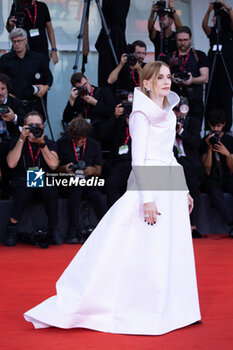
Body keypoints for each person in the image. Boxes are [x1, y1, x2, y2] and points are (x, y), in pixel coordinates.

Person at [24, 61, 201, 335]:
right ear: (147, 83)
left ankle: (175, 308)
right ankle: (143, 306)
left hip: (169, 184)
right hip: (149, 185)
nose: (166, 82)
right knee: (145, 249)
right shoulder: (140, 115)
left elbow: (170, 156)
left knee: (170, 247)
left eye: (168, 77)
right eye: (160, 77)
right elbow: (139, 159)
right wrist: (146, 199)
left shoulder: (168, 114)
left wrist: (184, 190)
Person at [5, 111, 61, 247]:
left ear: (43, 126)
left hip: (43, 178)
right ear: (24, 126)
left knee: (51, 191)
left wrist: (42, 144)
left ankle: (53, 229)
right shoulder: (17, 141)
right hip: (22, 179)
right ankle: (11, 228)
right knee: (25, 186)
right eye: (31, 125)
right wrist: (21, 139)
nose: (34, 128)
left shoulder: (49, 142)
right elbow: (11, 163)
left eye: (37, 125)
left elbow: (53, 166)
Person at [57, 118, 108, 244]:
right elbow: (54, 167)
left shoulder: (94, 145)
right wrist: (64, 168)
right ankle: (72, 230)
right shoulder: (61, 143)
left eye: (82, 138)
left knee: (96, 195)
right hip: (68, 183)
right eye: (77, 139)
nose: (80, 141)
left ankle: (107, 227)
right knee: (76, 189)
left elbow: (99, 170)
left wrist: (91, 170)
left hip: (89, 182)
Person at [0, 28, 53, 119]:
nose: (17, 44)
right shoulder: (5, 59)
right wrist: (6, 93)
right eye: (14, 41)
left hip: (35, 104)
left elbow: (48, 77)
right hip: (14, 105)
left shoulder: (39, 58)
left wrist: (45, 87)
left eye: (19, 41)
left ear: (25, 40)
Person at [200, 109, 233, 238]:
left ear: (224, 124)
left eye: (218, 126)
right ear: (209, 124)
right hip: (212, 178)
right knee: (214, 193)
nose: (216, 129)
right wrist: (209, 149)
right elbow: (207, 170)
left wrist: (228, 154)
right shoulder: (205, 141)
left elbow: (232, 170)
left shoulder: (230, 141)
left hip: (227, 176)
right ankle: (231, 223)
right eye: (213, 126)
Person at [173, 99, 204, 238]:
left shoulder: (194, 122)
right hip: (172, 160)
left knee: (193, 192)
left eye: (180, 109)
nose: (177, 112)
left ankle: (193, 226)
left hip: (189, 160)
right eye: (175, 109)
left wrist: (181, 131)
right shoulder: (165, 121)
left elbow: (196, 143)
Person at [202, 1, 233, 131]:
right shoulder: (213, 33)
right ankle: (211, 125)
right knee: (212, 97)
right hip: (213, 70)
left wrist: (228, 9)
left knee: (225, 97)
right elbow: (204, 26)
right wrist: (209, 11)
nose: (213, 19)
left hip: (225, 71)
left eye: (215, 16)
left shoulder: (229, 33)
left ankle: (225, 127)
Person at [62, 72, 115, 146]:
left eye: (85, 85)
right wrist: (71, 100)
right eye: (81, 88)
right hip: (81, 129)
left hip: (99, 129)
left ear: (88, 80)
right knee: (64, 139)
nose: (85, 88)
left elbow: (112, 112)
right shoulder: (78, 99)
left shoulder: (103, 91)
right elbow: (66, 119)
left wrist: (95, 103)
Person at [169, 26, 209, 121]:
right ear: (176, 40)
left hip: (195, 102)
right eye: (179, 40)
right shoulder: (169, 56)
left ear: (190, 39)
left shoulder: (199, 55)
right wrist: (171, 78)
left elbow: (205, 78)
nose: (183, 43)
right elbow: (160, 76)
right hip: (174, 102)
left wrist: (192, 80)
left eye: (185, 40)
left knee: (194, 132)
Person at [6, 0, 58, 64]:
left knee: (43, 72)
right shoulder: (17, 5)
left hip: (41, 48)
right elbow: (9, 29)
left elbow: (50, 28)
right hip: (24, 49)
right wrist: (9, 24)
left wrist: (54, 49)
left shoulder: (42, 6)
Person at [0, 73, 25, 199]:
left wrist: (13, 117)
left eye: (2, 89)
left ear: (7, 89)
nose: (0, 92)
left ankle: (7, 189)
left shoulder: (15, 102)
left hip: (12, 139)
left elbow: (25, 121)